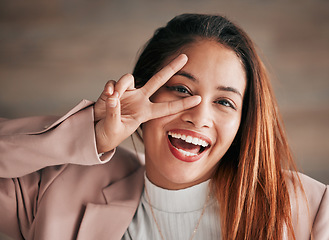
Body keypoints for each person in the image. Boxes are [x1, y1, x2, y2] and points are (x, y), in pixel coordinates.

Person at [0, 13, 328, 240]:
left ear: (244, 122)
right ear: (139, 93)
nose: (199, 118)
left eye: (225, 102)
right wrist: (90, 134)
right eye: (182, 90)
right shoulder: (60, 185)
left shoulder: (311, 209)